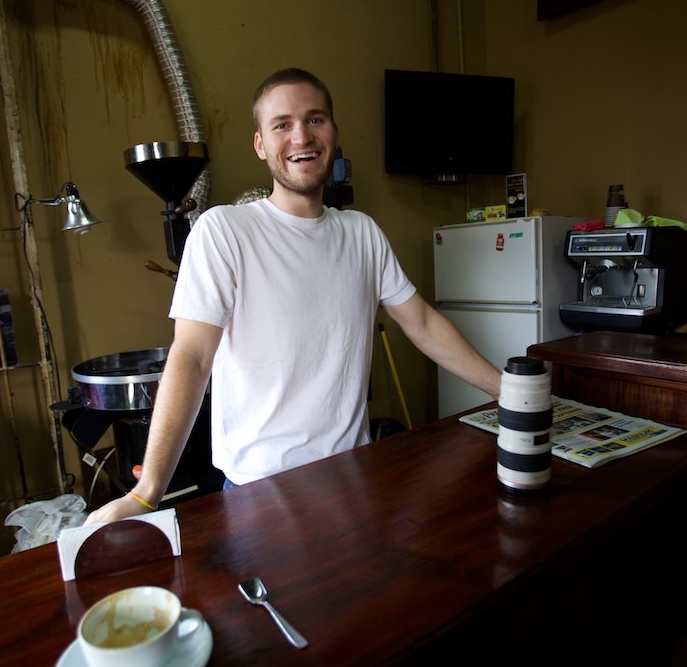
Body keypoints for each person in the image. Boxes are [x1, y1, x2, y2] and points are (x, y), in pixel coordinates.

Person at [85, 67, 501, 524]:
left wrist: (508, 391)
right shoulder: (224, 231)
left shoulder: (361, 232)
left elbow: (421, 322)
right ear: (261, 144)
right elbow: (192, 357)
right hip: (261, 493)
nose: (301, 136)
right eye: (282, 124)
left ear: (334, 134)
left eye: (315, 120)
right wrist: (146, 493)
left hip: (353, 476)